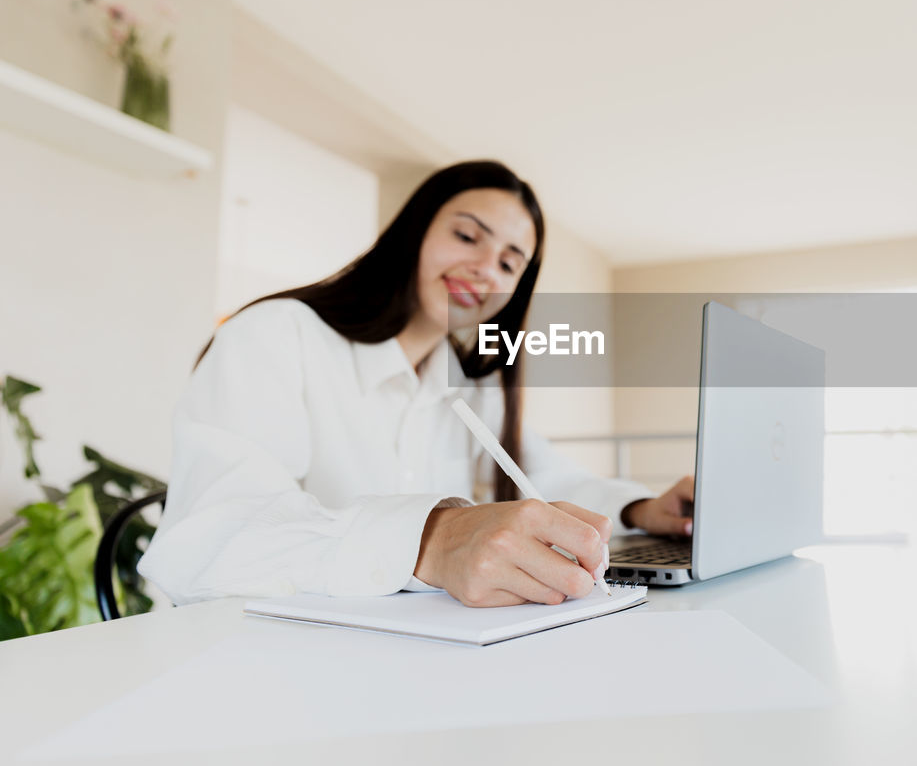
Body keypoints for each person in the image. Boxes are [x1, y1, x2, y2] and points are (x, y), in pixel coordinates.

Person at [138, 161, 695, 608]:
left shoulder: (466, 389)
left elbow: (540, 472)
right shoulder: (274, 337)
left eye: (509, 262)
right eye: (466, 235)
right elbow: (209, 538)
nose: (485, 268)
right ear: (412, 233)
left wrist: (644, 510)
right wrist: (431, 540)